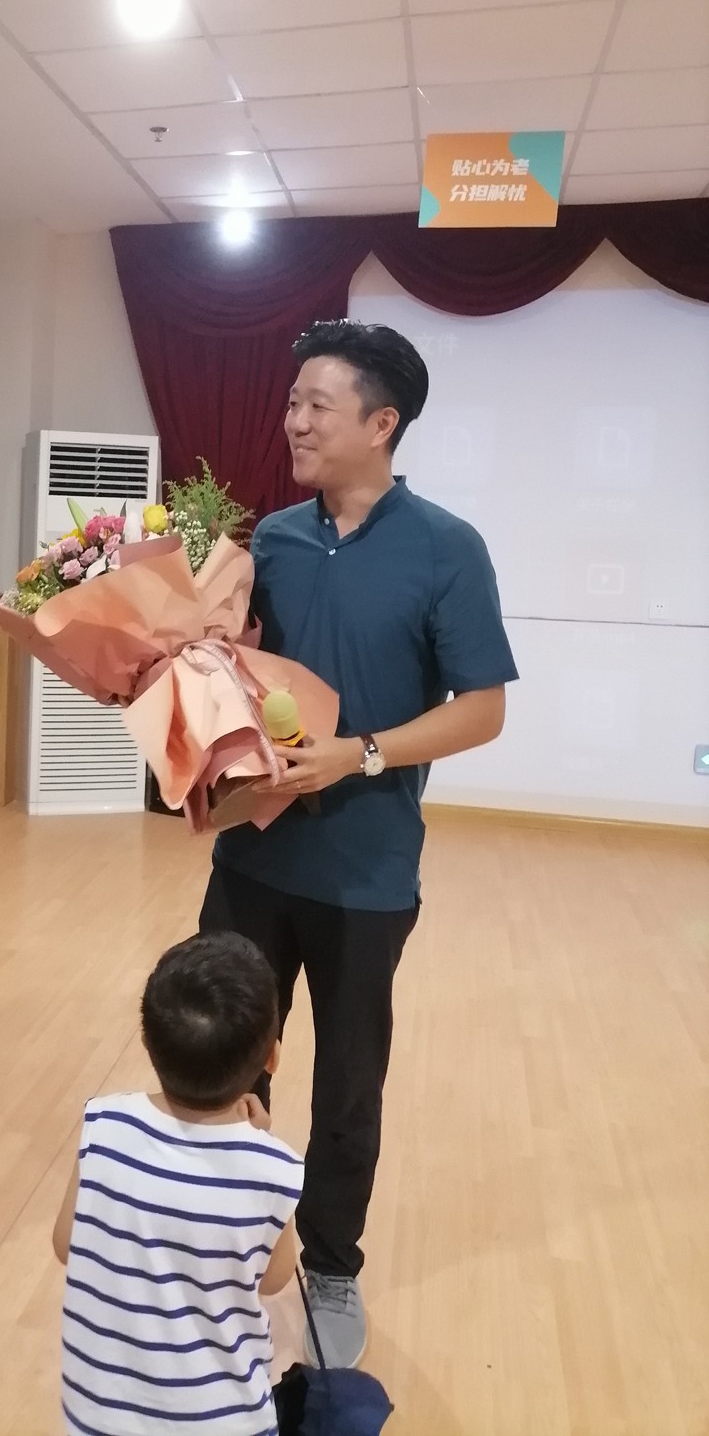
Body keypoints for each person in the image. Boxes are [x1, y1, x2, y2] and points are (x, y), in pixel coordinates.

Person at [202, 319, 518, 1371]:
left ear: (382, 424)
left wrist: (362, 755)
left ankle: (331, 1265)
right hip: (252, 857)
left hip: (367, 873)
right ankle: (228, 1239)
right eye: (291, 401)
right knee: (225, 1058)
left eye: (316, 405)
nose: (293, 420)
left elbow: (482, 710)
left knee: (346, 1083)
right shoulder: (271, 541)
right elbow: (233, 675)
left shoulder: (446, 548)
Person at [53, 932, 304, 1436]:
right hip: (224, 1422)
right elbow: (275, 1278)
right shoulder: (271, 1167)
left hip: (98, 1414)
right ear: (272, 1058)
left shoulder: (105, 1125)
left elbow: (65, 1243)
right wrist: (256, 1142)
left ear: (147, 1042)